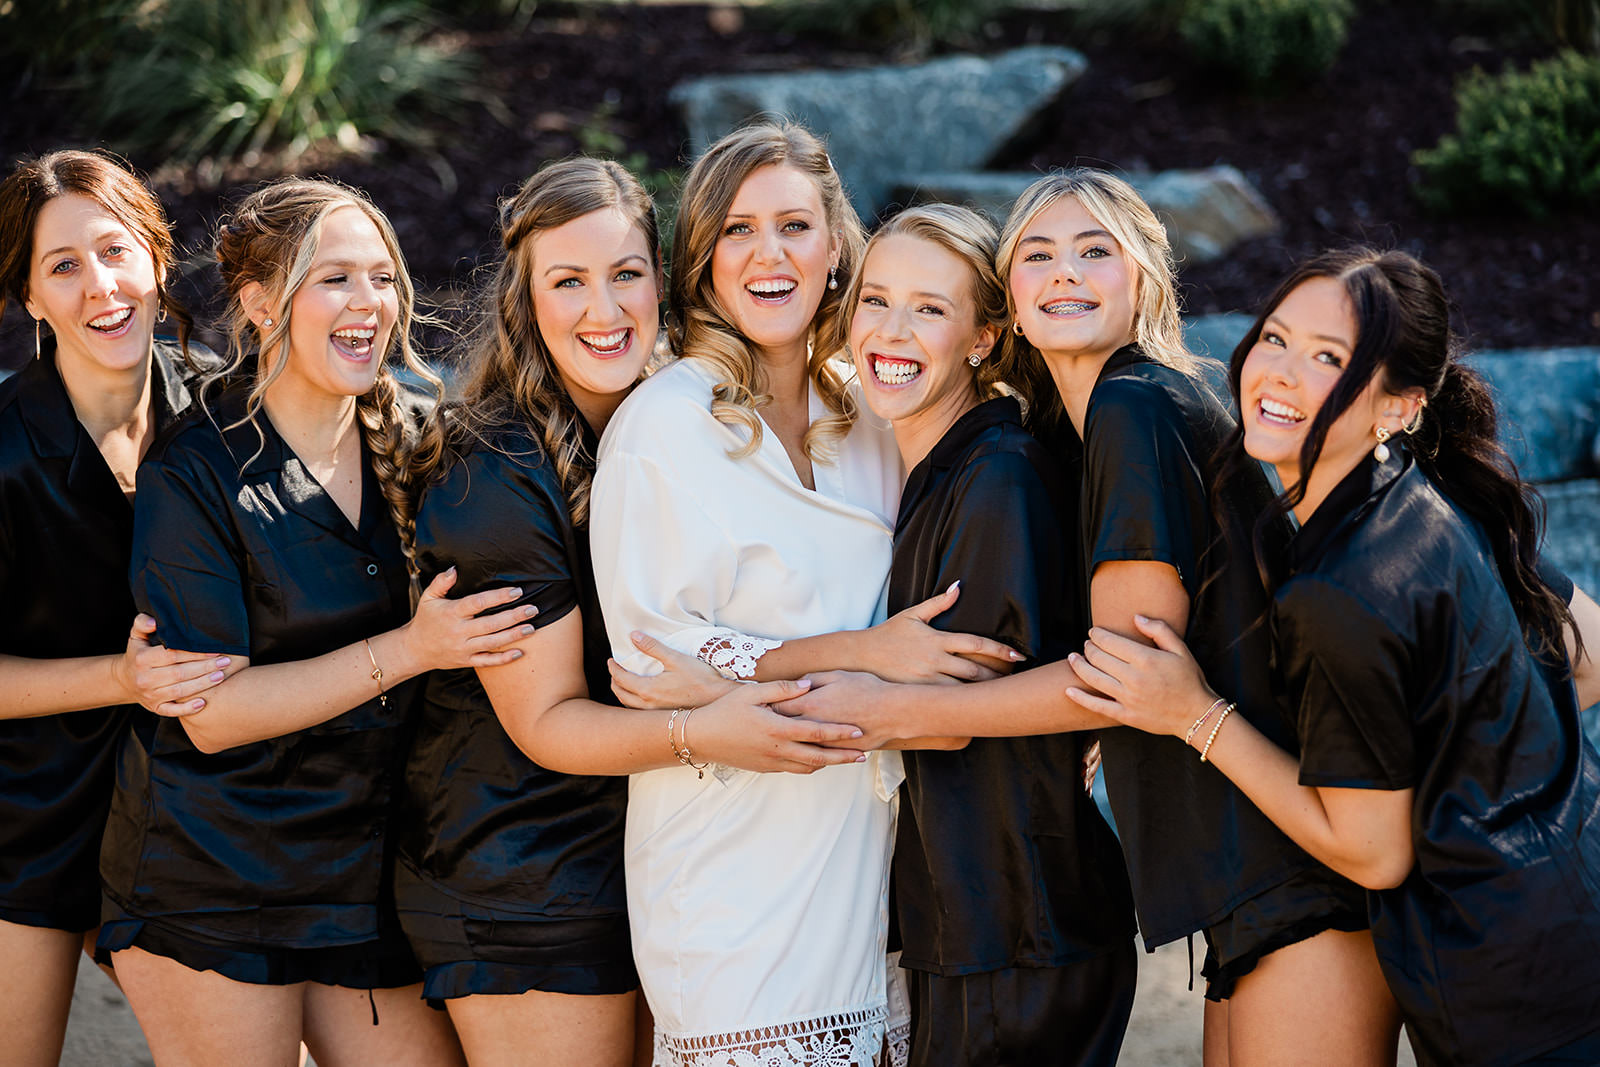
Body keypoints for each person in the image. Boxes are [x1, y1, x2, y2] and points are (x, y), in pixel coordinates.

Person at [786, 170, 1400, 1066]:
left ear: (1144, 279)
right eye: (1038, 252)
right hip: (1251, 880)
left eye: (1094, 250)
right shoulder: (1100, 424)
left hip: (1295, 873)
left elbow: (1125, 676)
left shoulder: (1131, 404)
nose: (1065, 271)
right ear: (1016, 305)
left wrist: (897, 708)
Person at [1066, 247, 1600, 1067]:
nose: (1278, 373)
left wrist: (1193, 713)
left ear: (1398, 406)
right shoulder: (1425, 496)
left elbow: (1377, 851)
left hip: (1516, 981)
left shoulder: (1343, 584)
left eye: (1329, 359)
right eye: (1274, 338)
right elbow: (1586, 654)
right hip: (1567, 914)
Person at [396, 157, 865, 1067]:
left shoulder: (679, 418)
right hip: (519, 871)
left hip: (639, 856)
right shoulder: (492, 467)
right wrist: (707, 728)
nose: (603, 312)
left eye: (625, 275)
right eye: (567, 282)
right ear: (525, 301)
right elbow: (545, 720)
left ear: (663, 280)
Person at [589, 123, 1017, 1067]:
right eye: (738, 230)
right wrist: (868, 660)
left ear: (836, 248)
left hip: (875, 874)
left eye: (794, 225)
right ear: (700, 258)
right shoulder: (662, 427)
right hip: (732, 867)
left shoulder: (866, 411)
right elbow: (657, 661)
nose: (769, 254)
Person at [100, 177, 529, 1066]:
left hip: (364, 874)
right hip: (209, 878)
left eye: (381, 277)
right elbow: (212, 715)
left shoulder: (414, 437)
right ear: (261, 304)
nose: (368, 303)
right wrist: (411, 650)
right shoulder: (194, 471)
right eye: (335, 279)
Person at [845, 202, 1137, 1066]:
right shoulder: (934, 466)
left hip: (1018, 927)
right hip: (976, 920)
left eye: (930, 308)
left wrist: (731, 684)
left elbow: (955, 708)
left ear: (983, 336)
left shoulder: (997, 478)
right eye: (875, 299)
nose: (891, 330)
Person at [0, 148, 237, 1067]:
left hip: (183, 810)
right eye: (64, 266)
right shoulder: (7, 456)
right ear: (30, 299)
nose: (101, 285)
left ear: (157, 260)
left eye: (116, 250)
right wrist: (122, 678)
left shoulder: (219, 409)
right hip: (27, 813)